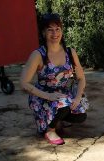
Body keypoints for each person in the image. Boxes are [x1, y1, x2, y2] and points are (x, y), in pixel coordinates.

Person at [20, 13, 87, 145]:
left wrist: (78, 97)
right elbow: (23, 83)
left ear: (62, 31)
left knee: (81, 115)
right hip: (43, 97)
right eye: (50, 29)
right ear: (43, 32)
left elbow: (81, 78)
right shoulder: (38, 55)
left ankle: (56, 118)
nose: (54, 33)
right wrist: (48, 96)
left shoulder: (70, 52)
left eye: (57, 29)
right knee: (64, 103)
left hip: (62, 94)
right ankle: (49, 129)